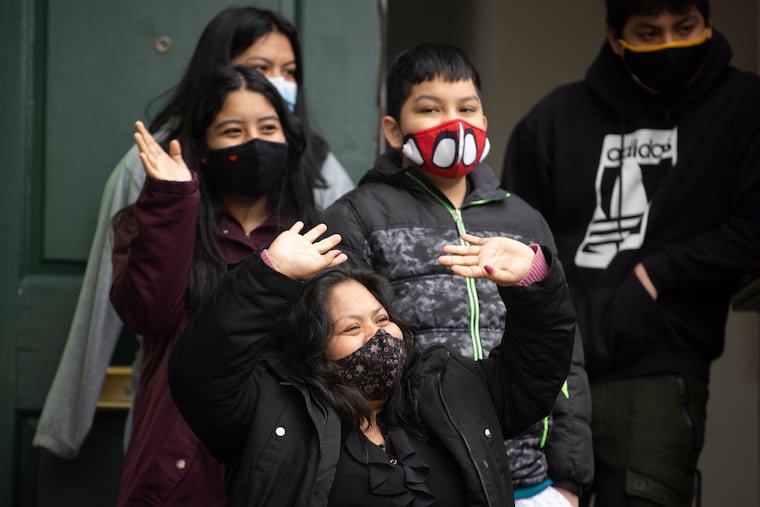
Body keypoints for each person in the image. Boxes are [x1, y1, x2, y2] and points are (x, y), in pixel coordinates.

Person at [33, 5, 354, 461]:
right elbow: (106, 300)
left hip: (282, 437)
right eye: (261, 67)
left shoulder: (318, 166)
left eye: (289, 70)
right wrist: (63, 429)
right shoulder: (156, 160)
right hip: (170, 428)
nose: (278, 81)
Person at [501, 1, 760, 505]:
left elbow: (752, 229)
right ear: (615, 37)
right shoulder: (552, 120)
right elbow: (516, 242)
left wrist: (655, 275)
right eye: (648, 32)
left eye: (685, 28)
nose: (669, 45)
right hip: (556, 375)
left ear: (708, 25)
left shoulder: (744, 105)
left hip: (660, 368)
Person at [320, 42, 593, 505]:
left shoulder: (524, 221)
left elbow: (566, 357)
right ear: (392, 129)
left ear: (484, 122)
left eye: (467, 108)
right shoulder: (356, 216)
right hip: (428, 477)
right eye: (430, 108)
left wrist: (569, 481)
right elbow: (342, 355)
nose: (455, 122)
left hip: (533, 480)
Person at [168, 219, 576, 506]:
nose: (378, 335)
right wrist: (268, 275)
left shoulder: (450, 389)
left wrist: (534, 281)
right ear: (312, 351)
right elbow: (201, 373)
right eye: (352, 329)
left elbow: (534, 372)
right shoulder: (270, 410)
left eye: (383, 319)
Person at [109, 65, 321, 506]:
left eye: (268, 127)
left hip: (283, 466)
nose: (255, 143)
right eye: (232, 130)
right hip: (178, 468)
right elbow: (147, 314)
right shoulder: (159, 218)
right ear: (203, 149)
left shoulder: (314, 237)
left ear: (289, 139)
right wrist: (169, 202)